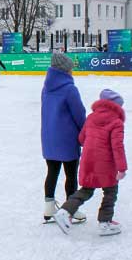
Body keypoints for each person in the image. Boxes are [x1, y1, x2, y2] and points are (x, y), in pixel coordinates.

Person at [53, 89, 127, 236]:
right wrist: (122, 168)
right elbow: (117, 147)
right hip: (105, 163)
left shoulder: (91, 117)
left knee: (86, 189)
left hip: (88, 160)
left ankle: (64, 211)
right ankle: (105, 223)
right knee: (111, 191)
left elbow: (81, 139)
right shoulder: (117, 122)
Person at [41, 52, 87, 223]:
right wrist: (86, 133)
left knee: (52, 172)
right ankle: (71, 209)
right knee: (70, 174)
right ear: (65, 70)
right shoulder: (70, 89)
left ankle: (48, 208)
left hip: (49, 138)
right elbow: (79, 115)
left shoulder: (46, 87)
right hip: (67, 139)